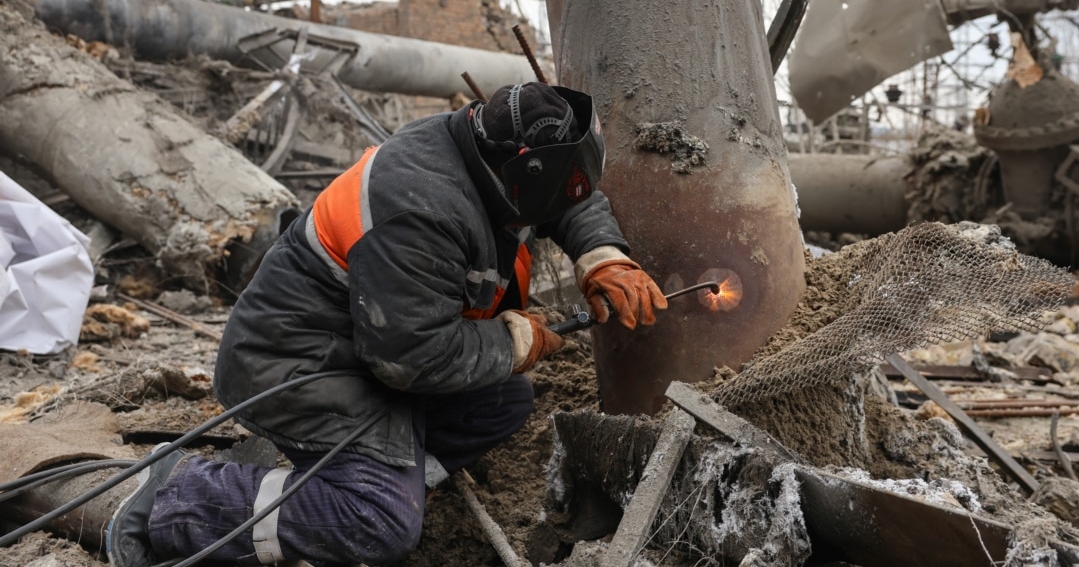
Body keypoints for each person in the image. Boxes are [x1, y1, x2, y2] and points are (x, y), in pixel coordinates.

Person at [105, 82, 668, 567]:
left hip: (370, 346)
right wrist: (516, 337)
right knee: (382, 524)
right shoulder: (421, 207)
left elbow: (566, 194)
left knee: (506, 401)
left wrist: (602, 255)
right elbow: (413, 358)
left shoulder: (491, 150)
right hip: (296, 362)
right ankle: (181, 498)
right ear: (525, 173)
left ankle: (374, 481)